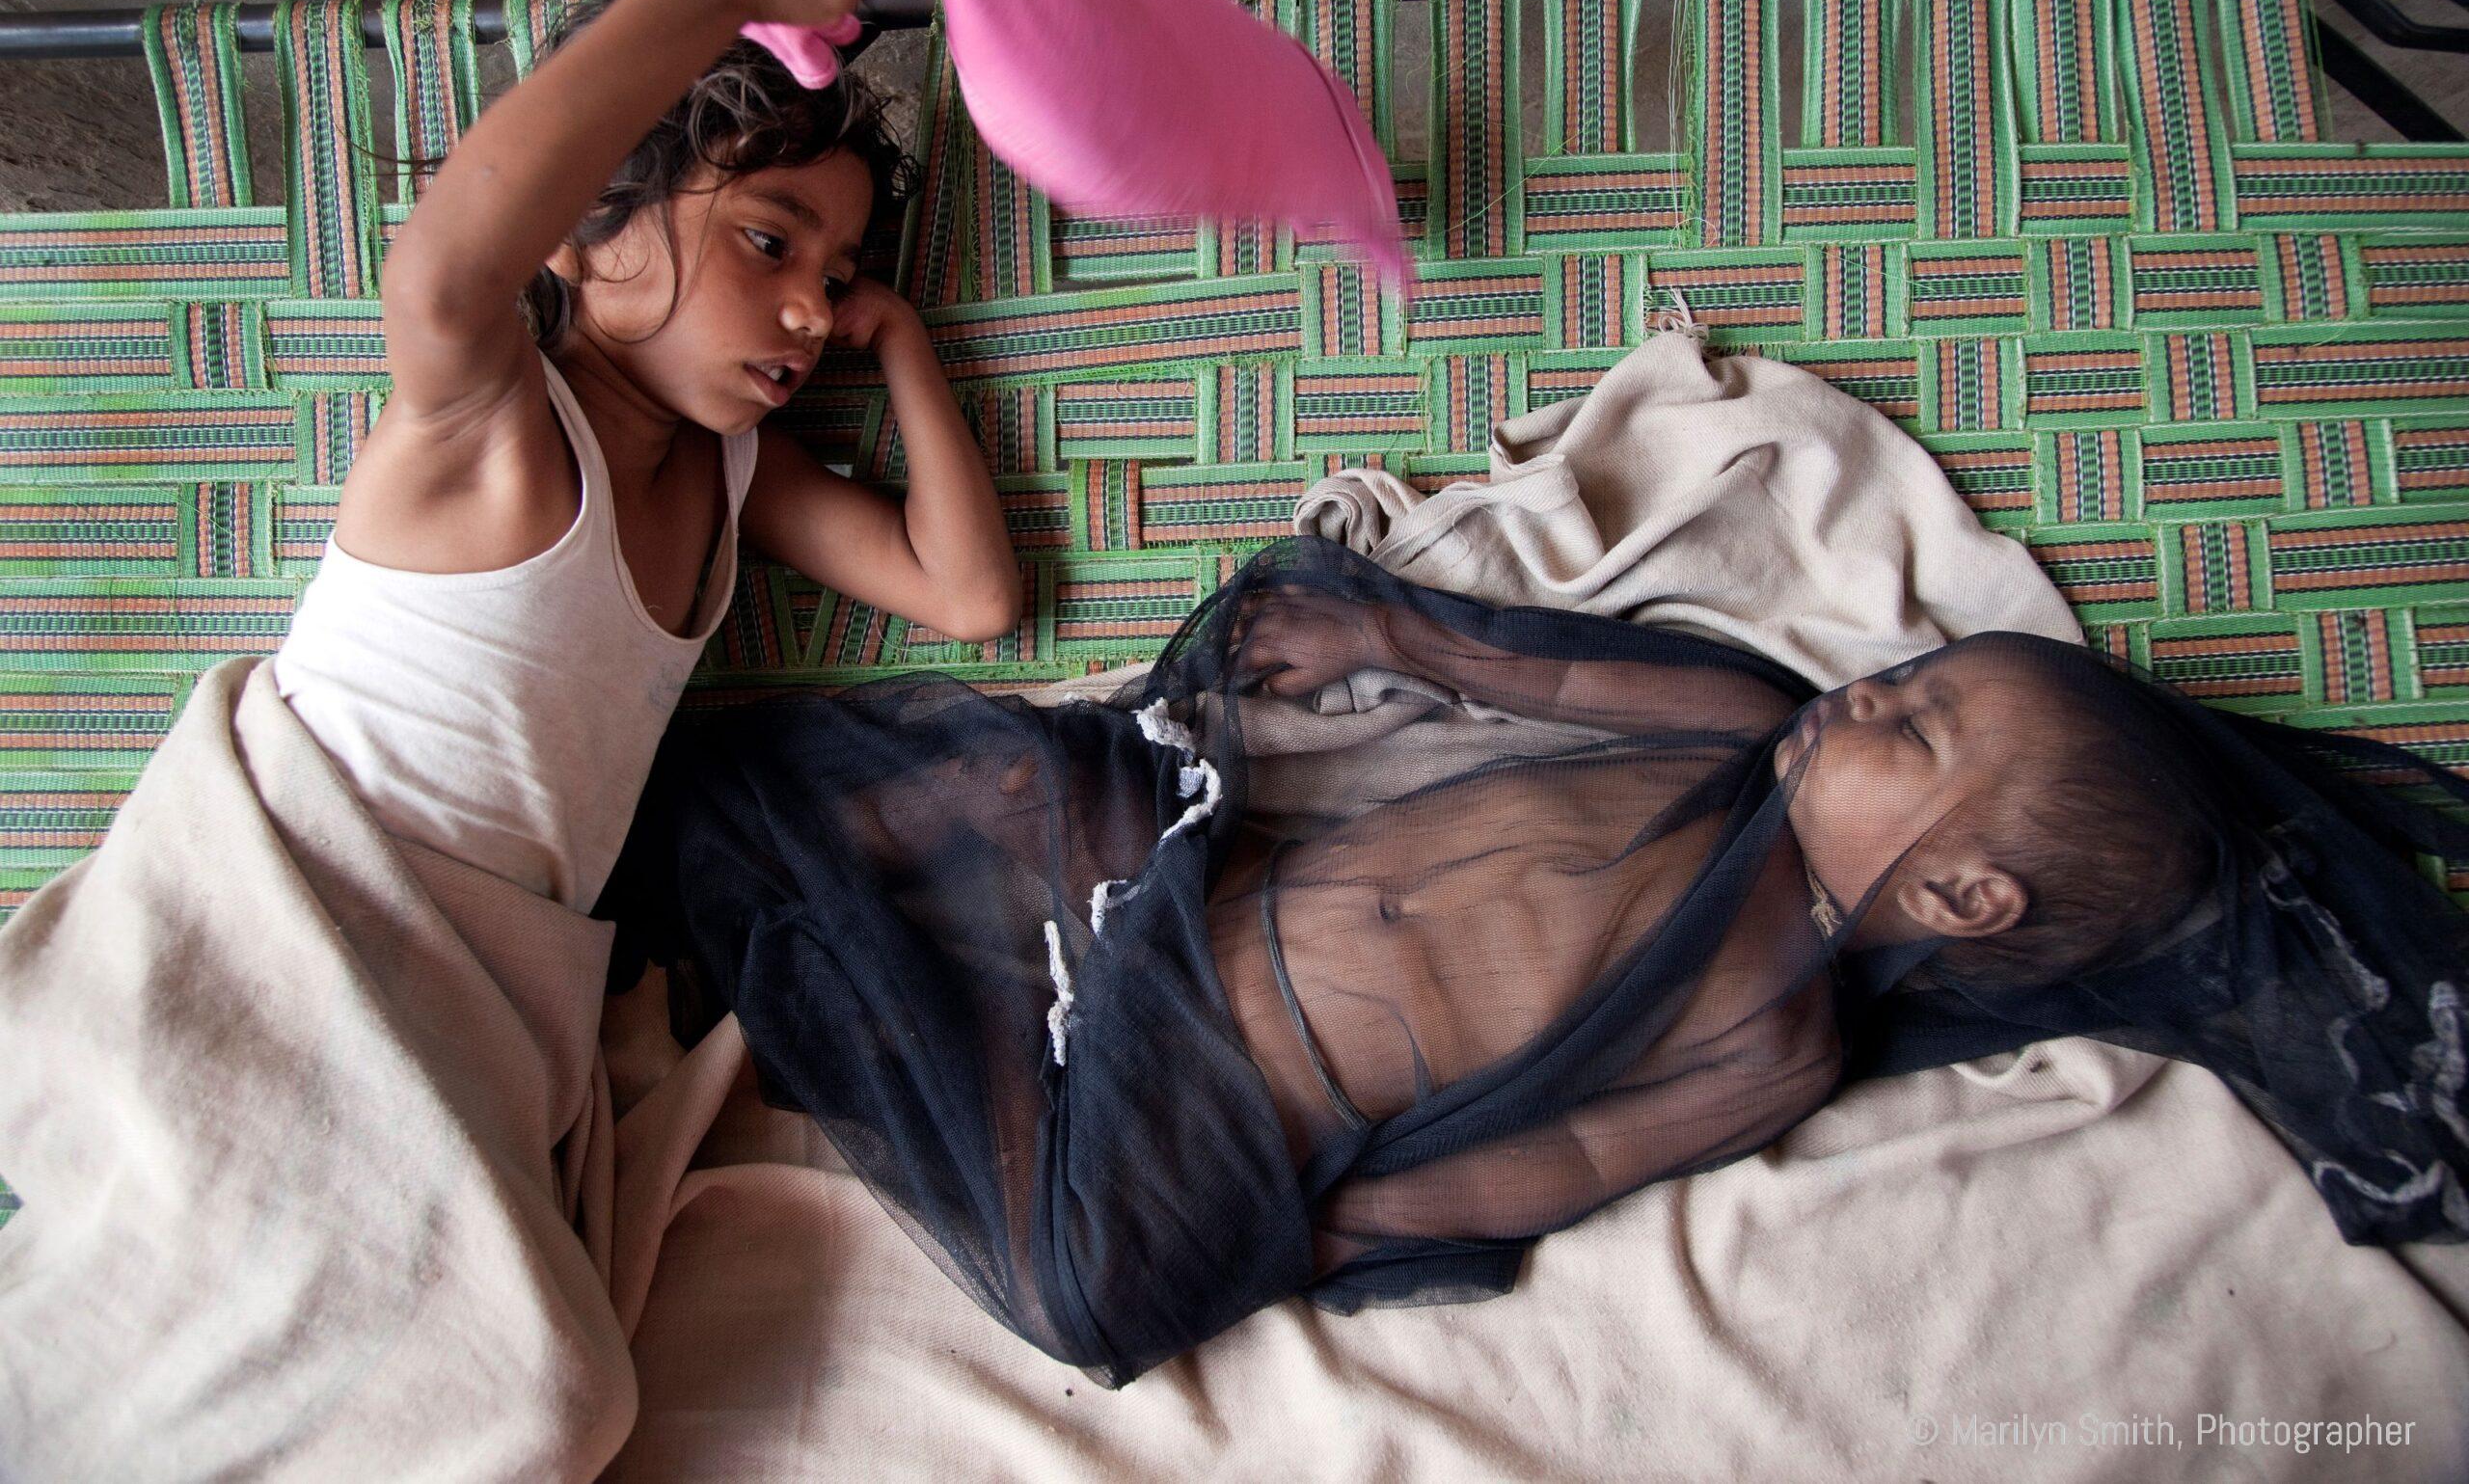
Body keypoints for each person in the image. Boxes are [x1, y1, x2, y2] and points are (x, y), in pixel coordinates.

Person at [606, 535, 2469, 1387]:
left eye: (1912, 723)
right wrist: (1369, 626)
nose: (1865, 689)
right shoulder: (1737, 716)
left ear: (1966, 900)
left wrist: (1326, 1227)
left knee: (1087, 1285)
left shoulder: (1773, 1040)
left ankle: (897, 1011)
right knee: (1012, 776)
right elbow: (1538, 675)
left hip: (1231, 1105)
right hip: (1189, 891)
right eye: (1903, 672)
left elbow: (1567, 1157)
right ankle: (680, 882)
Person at [274, 0, 1020, 911]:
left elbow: (970, 595)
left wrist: (901, 340)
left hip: (486, 973)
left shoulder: (732, 475)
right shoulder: (499, 428)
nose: (811, 309)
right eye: (769, 242)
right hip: (295, 895)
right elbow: (440, 283)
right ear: (582, 231)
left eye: (837, 277)